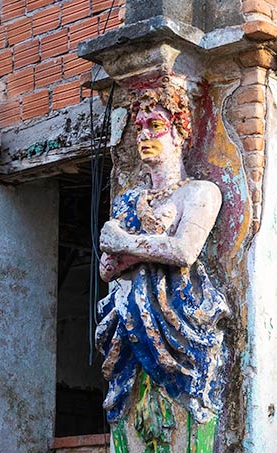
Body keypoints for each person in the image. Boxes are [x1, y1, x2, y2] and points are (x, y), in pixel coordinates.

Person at [96, 77, 229, 424]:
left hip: (178, 315)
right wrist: (147, 250)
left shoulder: (199, 193)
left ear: (178, 135)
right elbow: (105, 269)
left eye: (155, 126)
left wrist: (127, 246)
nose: (144, 135)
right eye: (140, 127)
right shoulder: (127, 200)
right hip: (127, 319)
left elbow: (184, 250)